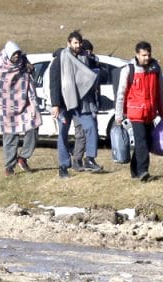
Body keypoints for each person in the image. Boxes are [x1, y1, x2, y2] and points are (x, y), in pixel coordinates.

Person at [49, 30, 102, 179]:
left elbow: (94, 76)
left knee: (91, 126)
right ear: (69, 43)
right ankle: (63, 166)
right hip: (64, 103)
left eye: (79, 42)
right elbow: (54, 82)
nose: (78, 45)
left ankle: (90, 158)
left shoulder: (85, 58)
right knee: (63, 135)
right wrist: (55, 104)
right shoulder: (60, 59)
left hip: (82, 103)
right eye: (75, 43)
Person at [114, 41, 163, 183]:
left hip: (150, 112)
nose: (146, 58)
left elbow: (159, 93)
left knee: (148, 143)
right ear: (137, 54)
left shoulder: (156, 69)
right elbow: (121, 94)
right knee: (141, 142)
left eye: (148, 55)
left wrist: (162, 113)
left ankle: (134, 168)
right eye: (143, 55)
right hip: (136, 113)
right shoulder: (129, 70)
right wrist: (119, 115)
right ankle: (143, 171)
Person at [0, 41, 41, 176]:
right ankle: (9, 166)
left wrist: (30, 68)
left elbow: (29, 78)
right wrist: (0, 107)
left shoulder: (24, 64)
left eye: (18, 54)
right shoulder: (1, 69)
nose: (16, 57)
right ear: (8, 55)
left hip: (25, 104)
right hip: (7, 108)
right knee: (10, 137)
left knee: (34, 128)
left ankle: (23, 157)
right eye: (14, 55)